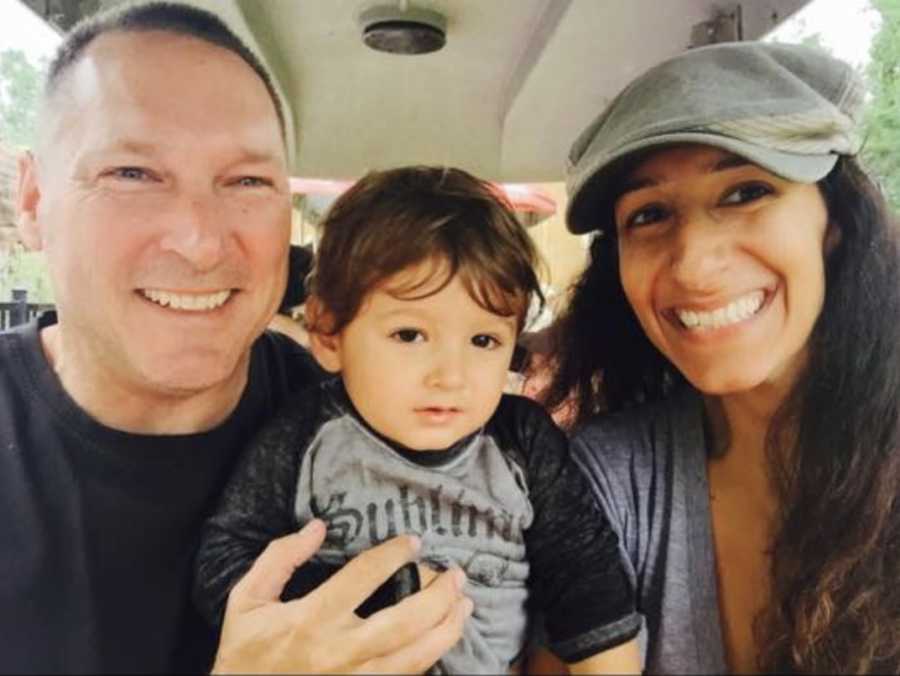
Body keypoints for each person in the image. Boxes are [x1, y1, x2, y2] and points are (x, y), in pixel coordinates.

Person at [1, 3, 469, 673]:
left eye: (247, 181)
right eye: (132, 173)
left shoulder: (362, 421)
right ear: (33, 202)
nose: (198, 242)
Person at [193, 166, 643, 674]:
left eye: (483, 341)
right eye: (409, 335)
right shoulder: (304, 435)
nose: (450, 377)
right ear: (327, 333)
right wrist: (382, 594)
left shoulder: (522, 441)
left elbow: (587, 580)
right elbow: (223, 565)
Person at [539, 42, 900, 673]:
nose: (694, 266)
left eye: (745, 192)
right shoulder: (613, 480)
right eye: (648, 215)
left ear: (833, 223)